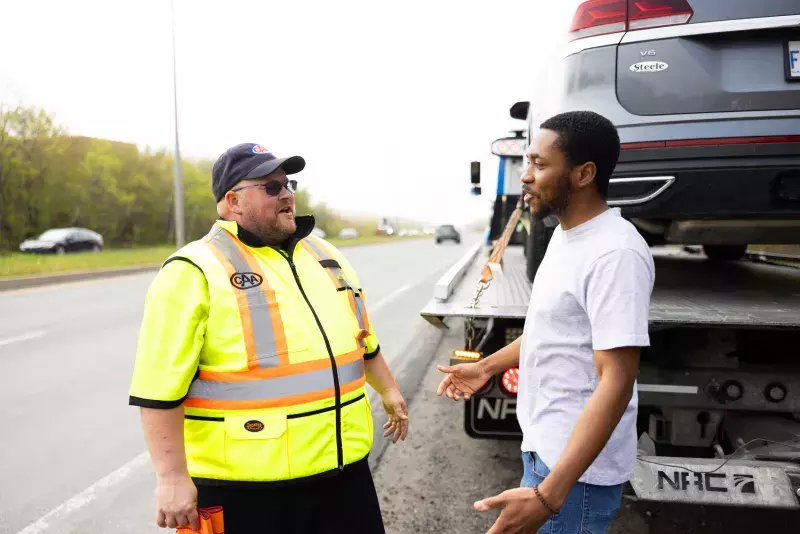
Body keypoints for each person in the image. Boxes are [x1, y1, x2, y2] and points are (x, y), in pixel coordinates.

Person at [129, 143, 408, 534]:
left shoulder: (325, 255)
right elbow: (157, 386)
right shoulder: (193, 270)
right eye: (271, 187)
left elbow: (363, 338)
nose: (287, 195)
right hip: (246, 492)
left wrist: (389, 390)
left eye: (288, 184)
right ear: (233, 201)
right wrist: (171, 477)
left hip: (345, 475)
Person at [437, 111, 654, 534]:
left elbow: (617, 379)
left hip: (575, 480)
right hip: (546, 453)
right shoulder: (565, 234)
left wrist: (549, 495)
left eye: (539, 164)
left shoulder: (615, 254)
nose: (525, 177)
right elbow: (550, 331)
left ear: (583, 173)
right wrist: (485, 367)